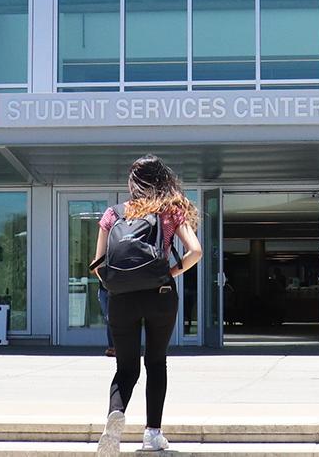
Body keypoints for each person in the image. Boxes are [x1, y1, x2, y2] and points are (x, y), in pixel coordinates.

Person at [93, 155, 204, 455]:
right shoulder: (169, 212)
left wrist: (118, 284)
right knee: (156, 362)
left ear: (132, 184)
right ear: (162, 180)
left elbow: (97, 265)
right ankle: (152, 434)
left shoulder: (112, 214)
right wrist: (169, 273)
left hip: (122, 300)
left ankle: (113, 420)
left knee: (125, 367)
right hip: (160, 295)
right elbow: (195, 251)